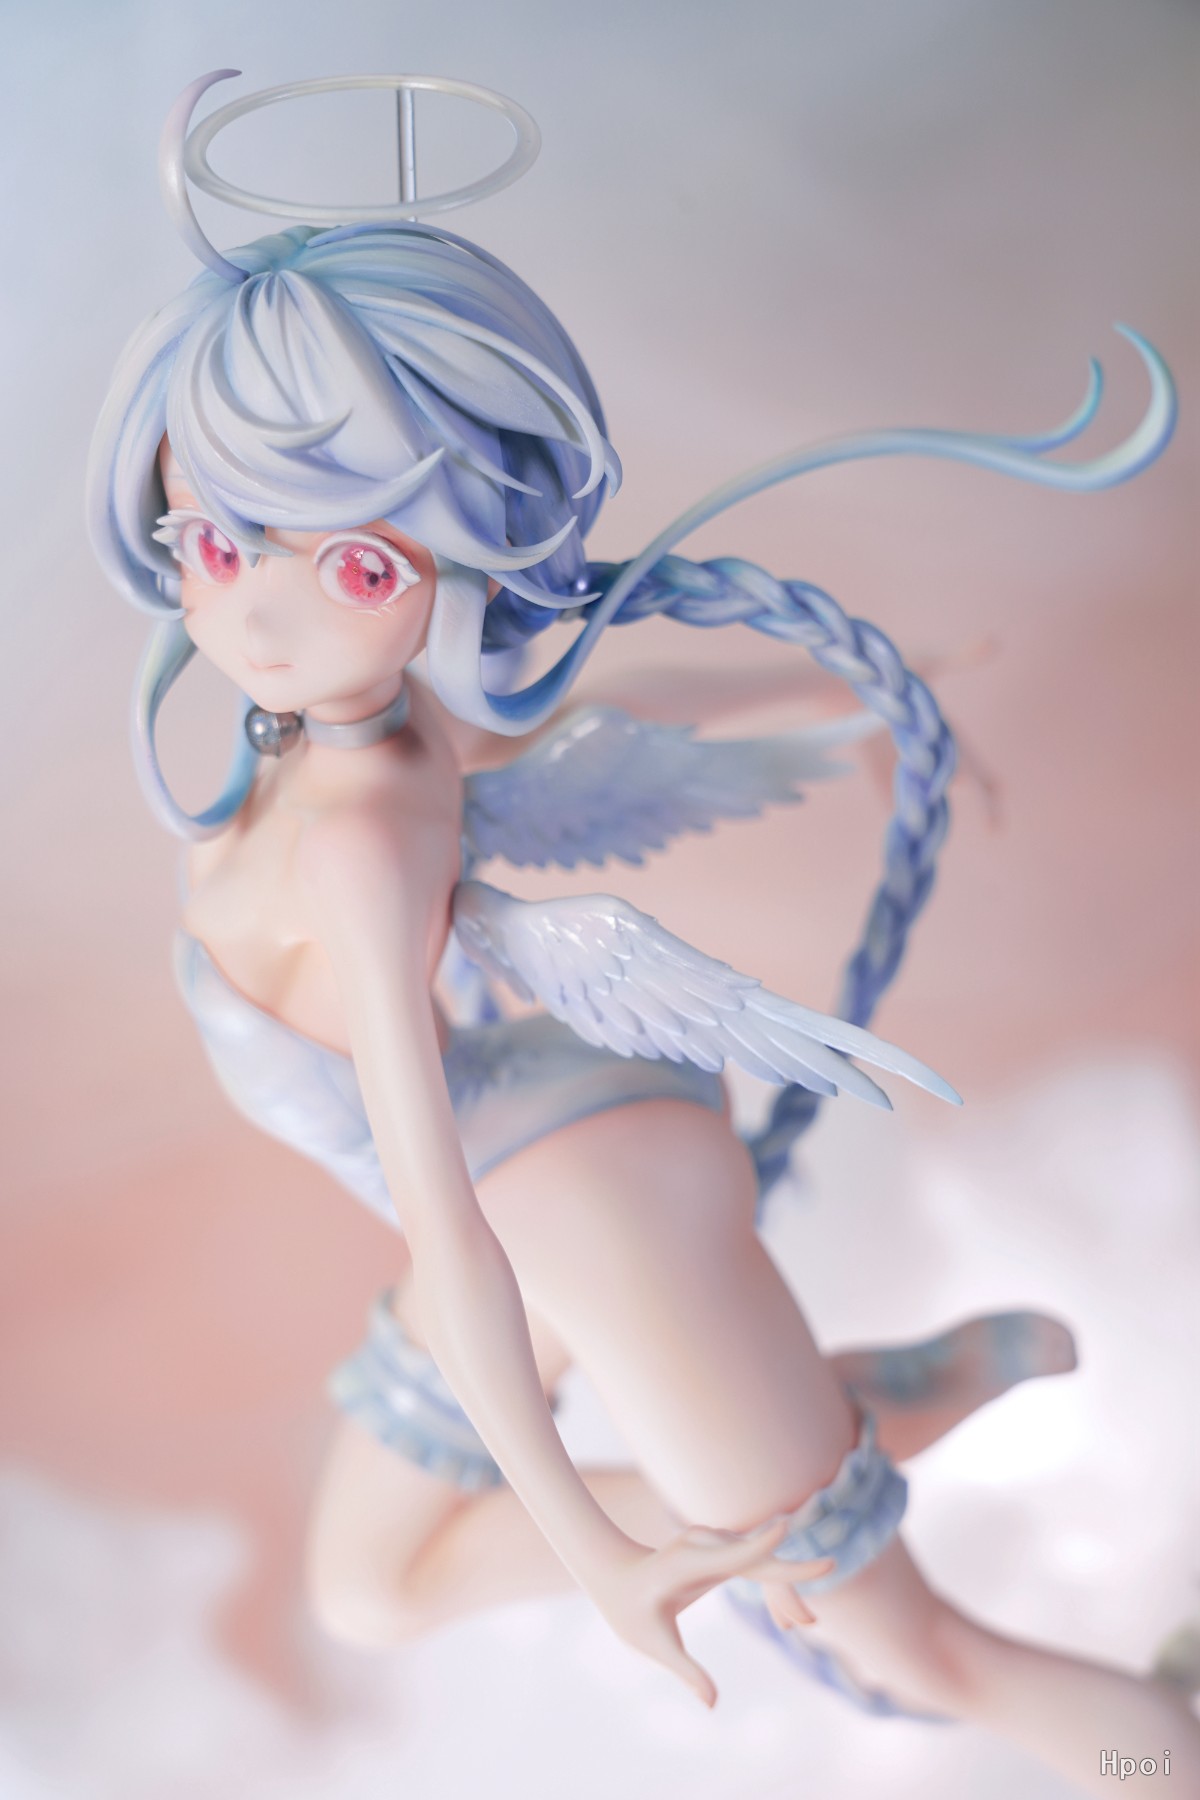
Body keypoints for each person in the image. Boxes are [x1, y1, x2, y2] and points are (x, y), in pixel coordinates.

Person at [86, 75, 1195, 1796]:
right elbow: (584, 712)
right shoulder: (362, 738)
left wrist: (601, 1556)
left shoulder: (365, 835)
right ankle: (868, 1408)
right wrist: (836, 694)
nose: (263, 613)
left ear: (456, 554)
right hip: (549, 1161)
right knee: (367, 1586)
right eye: (220, 542)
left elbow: (454, 1229)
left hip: (575, 1220)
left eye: (357, 568)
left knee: (918, 1657)